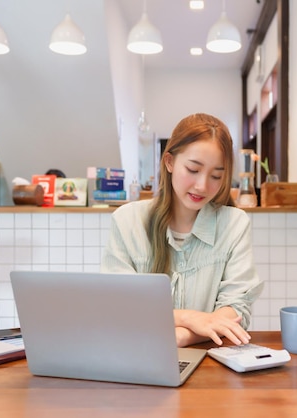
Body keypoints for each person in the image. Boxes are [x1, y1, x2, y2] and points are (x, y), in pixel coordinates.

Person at [101, 113, 263, 347]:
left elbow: (236, 309)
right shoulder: (127, 221)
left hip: (208, 363)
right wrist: (190, 318)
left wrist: (182, 335)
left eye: (216, 175)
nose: (202, 186)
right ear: (169, 162)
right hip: (137, 355)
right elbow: (118, 307)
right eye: (193, 169)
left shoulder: (234, 223)